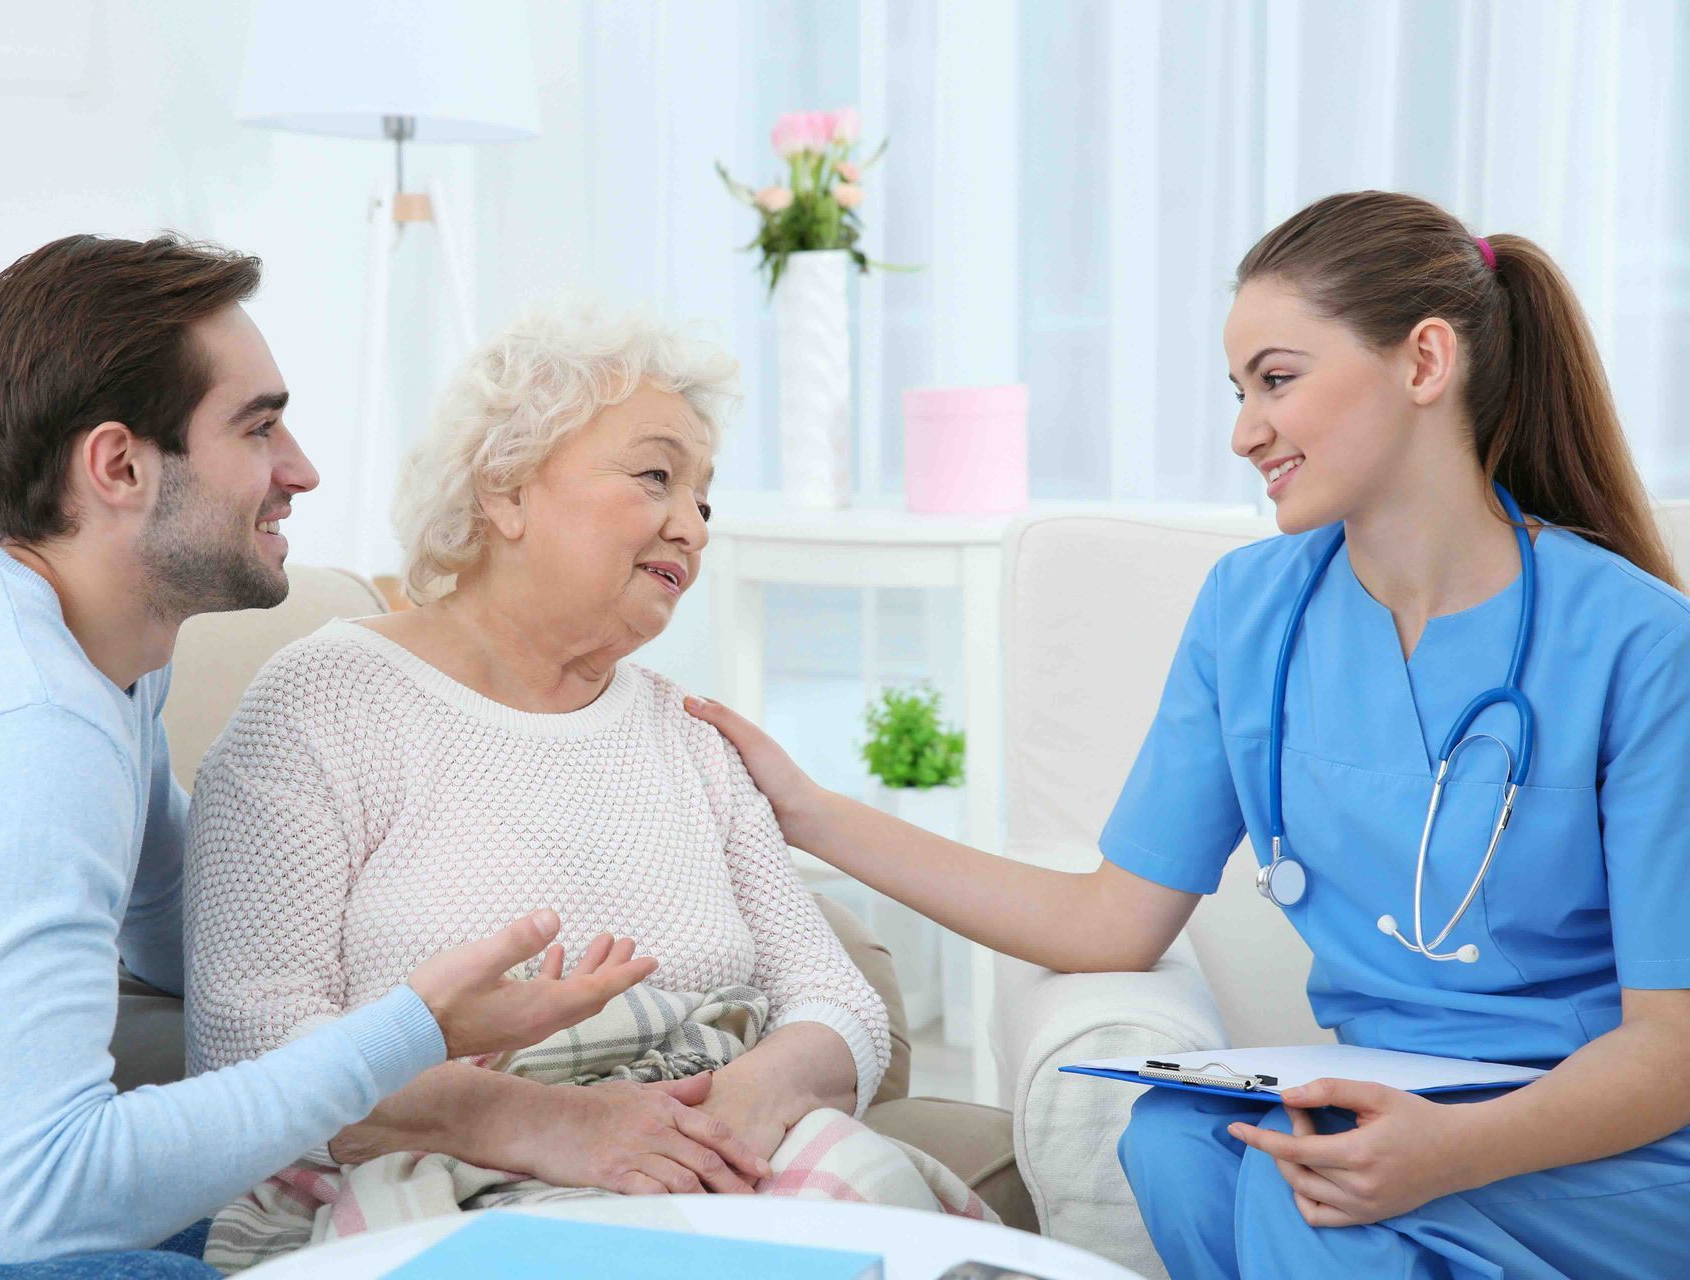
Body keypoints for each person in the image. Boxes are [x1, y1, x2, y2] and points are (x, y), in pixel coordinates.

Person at [686, 190, 1690, 1276]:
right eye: (1238, 388)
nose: (1244, 430)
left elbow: (1671, 1046)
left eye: (1278, 378)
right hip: (1387, 1099)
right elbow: (1111, 919)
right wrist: (814, 813)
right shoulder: (1251, 609)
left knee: (1300, 1194)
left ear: (1424, 361)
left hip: (1595, 1133)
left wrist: (1447, 1151)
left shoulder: (1636, 640)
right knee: (1176, 1139)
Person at [0, 236, 655, 1278]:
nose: (302, 469)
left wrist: (432, 986)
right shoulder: (16, 731)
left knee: (390, 1218)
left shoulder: (89, 643)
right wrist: (410, 1028)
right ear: (119, 466)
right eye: (259, 425)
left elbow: (171, 924)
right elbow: (44, 1204)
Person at [183, 303, 979, 1269]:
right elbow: (246, 1045)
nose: (691, 524)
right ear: (506, 489)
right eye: (655, 477)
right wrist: (544, 1123)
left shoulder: (687, 735)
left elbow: (835, 1002)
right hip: (443, 1165)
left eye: (704, 501)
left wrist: (724, 1113)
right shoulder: (324, 705)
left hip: (712, 1153)